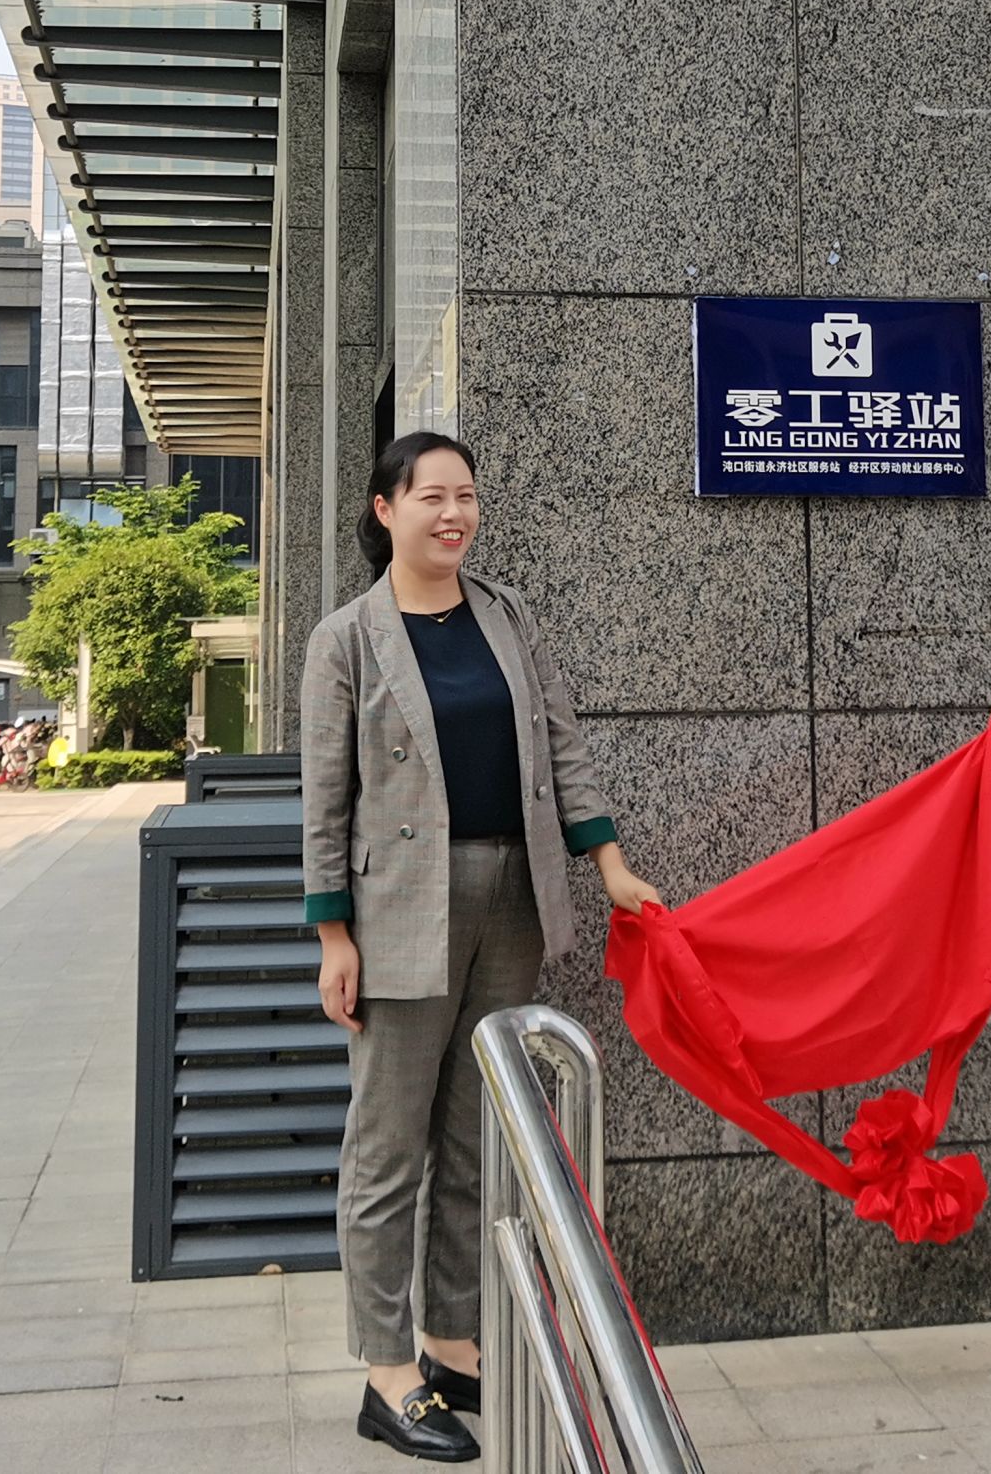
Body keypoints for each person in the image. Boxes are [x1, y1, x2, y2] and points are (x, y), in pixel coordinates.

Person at [300, 433, 665, 1463]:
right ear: (385, 510)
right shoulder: (347, 638)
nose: (454, 514)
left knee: (476, 1138)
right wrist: (333, 935)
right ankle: (386, 1371)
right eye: (432, 497)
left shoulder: (506, 615)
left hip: (514, 893)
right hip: (398, 912)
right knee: (387, 1147)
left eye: (466, 495)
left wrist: (609, 863)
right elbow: (324, 799)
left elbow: (561, 743)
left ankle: (451, 1344)